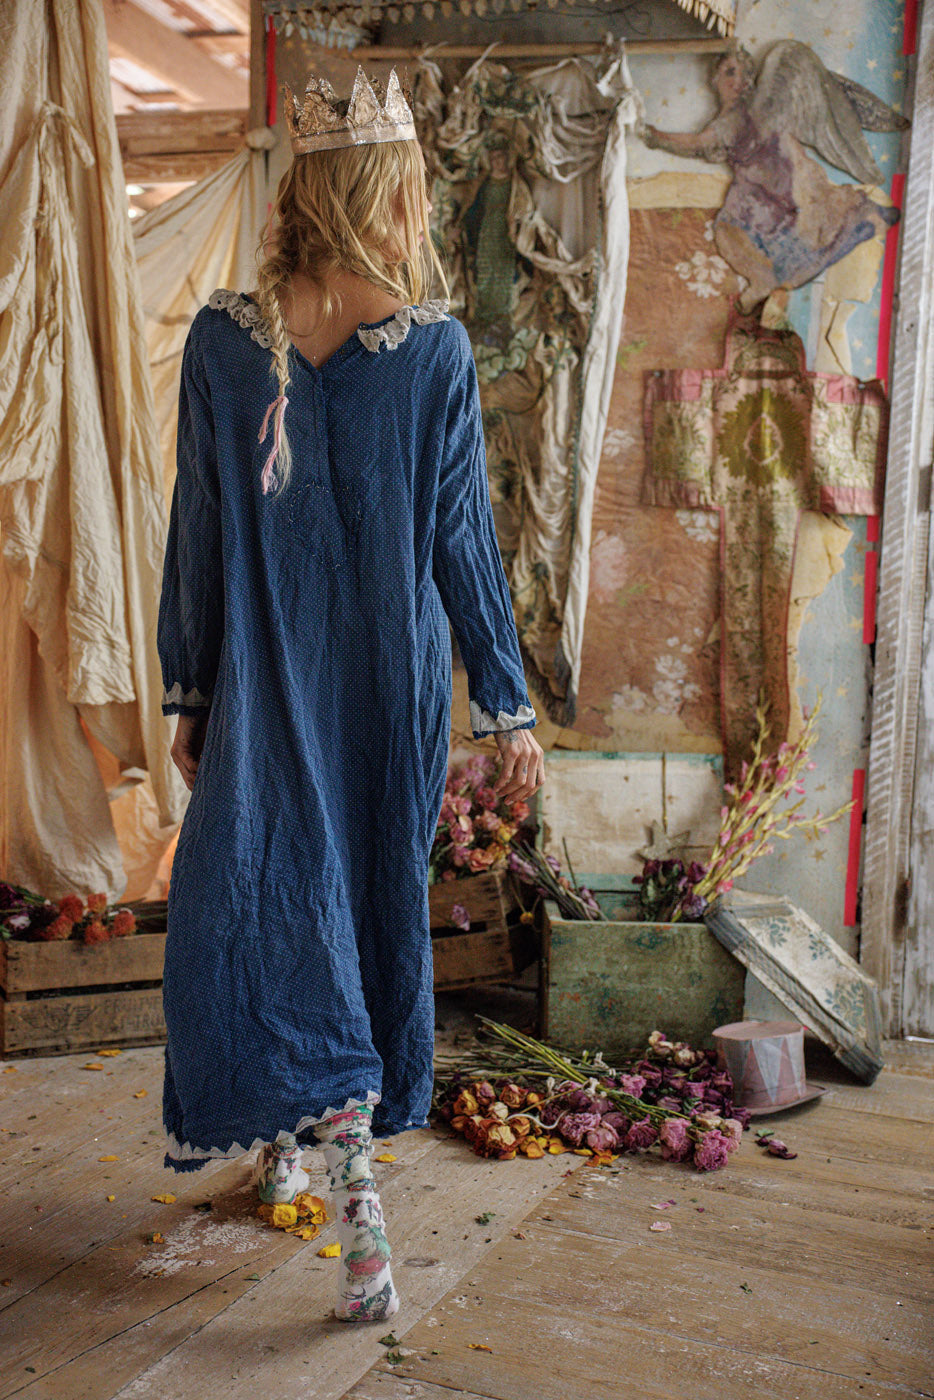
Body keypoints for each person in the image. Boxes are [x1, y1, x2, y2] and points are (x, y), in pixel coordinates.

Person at [156, 65, 545, 1324]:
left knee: (271, 892)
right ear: (388, 188)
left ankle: (355, 1189)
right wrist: (504, 701)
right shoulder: (427, 347)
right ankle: (336, 1175)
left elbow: (199, 536)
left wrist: (189, 687)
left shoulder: (228, 342)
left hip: (275, 683)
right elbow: (461, 544)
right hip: (379, 685)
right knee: (337, 901)